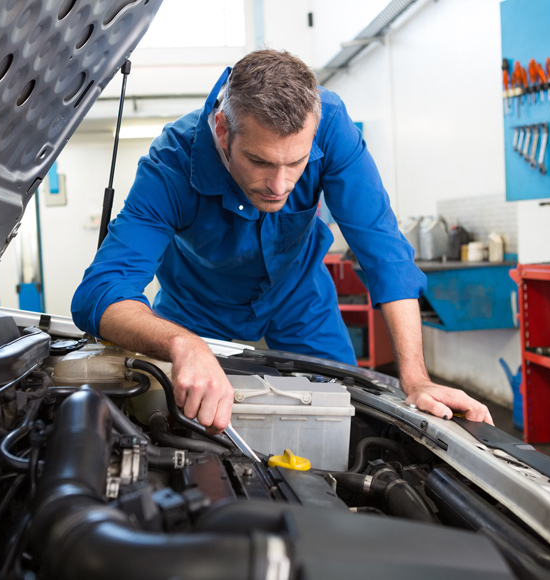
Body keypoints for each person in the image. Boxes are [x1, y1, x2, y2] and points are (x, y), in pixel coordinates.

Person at [72, 49, 492, 432]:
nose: (280, 184)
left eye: (297, 162)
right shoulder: (171, 165)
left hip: (299, 300)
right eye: (259, 161)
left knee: (345, 418)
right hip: (196, 311)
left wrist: (416, 379)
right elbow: (100, 291)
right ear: (222, 129)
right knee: (181, 423)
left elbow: (384, 251)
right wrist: (180, 342)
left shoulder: (331, 123)